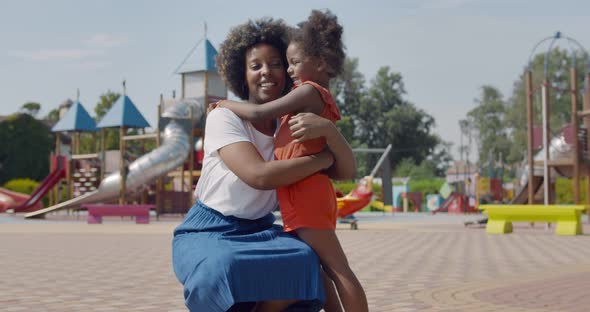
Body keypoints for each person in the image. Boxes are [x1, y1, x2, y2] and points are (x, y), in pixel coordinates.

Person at [172, 17, 350, 312]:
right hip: (209, 230)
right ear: (242, 75)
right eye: (256, 66)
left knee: (305, 260)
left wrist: (331, 139)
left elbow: (345, 172)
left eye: (277, 63)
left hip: (261, 230)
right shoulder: (224, 117)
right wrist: (322, 159)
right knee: (220, 268)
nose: (267, 72)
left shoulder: (290, 124)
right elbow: (259, 176)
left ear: (289, 70)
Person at [217, 10, 368, 312]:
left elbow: (261, 113)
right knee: (322, 269)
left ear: (321, 63)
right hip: (301, 196)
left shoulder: (310, 92)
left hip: (308, 196)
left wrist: (223, 103)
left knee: (338, 270)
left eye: (295, 62)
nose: (288, 70)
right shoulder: (308, 95)